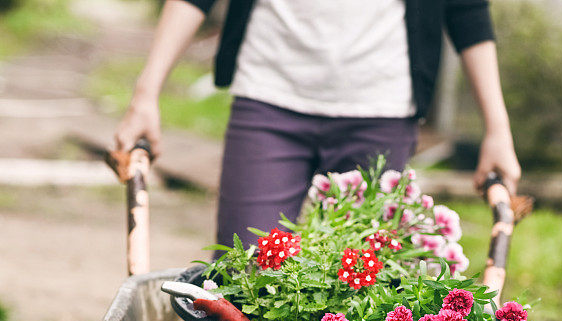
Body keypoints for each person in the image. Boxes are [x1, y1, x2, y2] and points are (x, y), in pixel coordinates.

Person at [114, 0, 521, 248]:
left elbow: (466, 7)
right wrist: (145, 95)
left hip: (380, 113)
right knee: (244, 280)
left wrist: (497, 129)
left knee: (359, 299)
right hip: (269, 99)